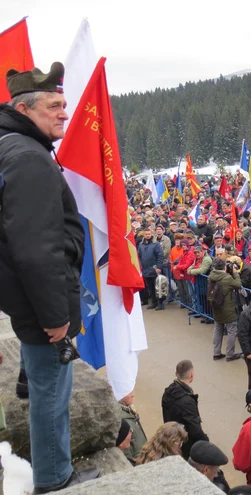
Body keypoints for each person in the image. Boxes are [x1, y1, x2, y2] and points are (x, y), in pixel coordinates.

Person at [0, 62, 100, 493]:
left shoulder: (14, 146)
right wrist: (57, 317)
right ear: (25, 109)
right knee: (52, 393)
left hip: (25, 298)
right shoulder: (28, 157)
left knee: (42, 383)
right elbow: (37, 251)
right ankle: (56, 478)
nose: (64, 113)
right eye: (54, 106)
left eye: (64, 104)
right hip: (41, 303)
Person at [161, 360, 209, 460]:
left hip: (170, 438)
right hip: (185, 446)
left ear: (176, 374)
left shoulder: (168, 392)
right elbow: (194, 428)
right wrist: (205, 441)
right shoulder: (186, 400)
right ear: (191, 374)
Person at [208, 258, 243, 361]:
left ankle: (216, 352)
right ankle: (230, 354)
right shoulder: (227, 278)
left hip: (216, 306)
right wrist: (235, 273)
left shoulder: (211, 276)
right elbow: (238, 284)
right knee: (231, 330)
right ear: (224, 267)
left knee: (218, 329)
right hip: (228, 308)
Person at [118, 390, 148, 465]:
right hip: (137, 462)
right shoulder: (120, 419)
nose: (133, 395)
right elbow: (123, 448)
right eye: (128, 392)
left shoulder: (129, 410)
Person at [138, 228, 164, 309]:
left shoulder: (156, 244)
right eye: (146, 234)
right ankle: (154, 302)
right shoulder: (141, 245)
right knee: (150, 287)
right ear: (144, 235)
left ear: (151, 234)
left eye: (149, 234)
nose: (147, 235)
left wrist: (159, 267)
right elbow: (139, 256)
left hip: (155, 268)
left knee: (158, 287)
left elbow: (160, 256)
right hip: (146, 269)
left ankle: (160, 303)